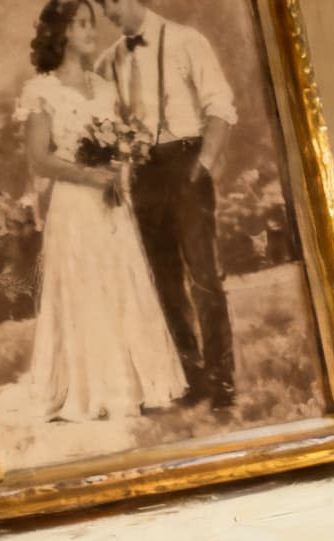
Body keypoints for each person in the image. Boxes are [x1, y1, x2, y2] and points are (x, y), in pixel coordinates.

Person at [16, 0, 187, 422]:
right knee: (83, 284)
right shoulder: (41, 90)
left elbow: (120, 145)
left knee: (119, 281)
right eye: (81, 23)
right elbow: (39, 159)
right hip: (74, 205)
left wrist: (116, 173)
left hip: (111, 204)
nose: (91, 30)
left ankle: (132, 384)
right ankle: (88, 390)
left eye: (92, 23)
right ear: (60, 33)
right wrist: (89, 177)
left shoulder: (104, 89)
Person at [97, 0, 239, 410]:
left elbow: (220, 106)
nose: (108, 12)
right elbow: (104, 122)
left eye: (111, 3)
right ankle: (190, 377)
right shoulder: (109, 62)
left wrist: (204, 165)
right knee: (164, 280)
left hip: (186, 162)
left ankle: (221, 380)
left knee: (205, 276)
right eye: (101, 6)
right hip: (143, 173)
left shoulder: (186, 40)